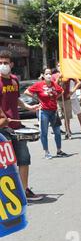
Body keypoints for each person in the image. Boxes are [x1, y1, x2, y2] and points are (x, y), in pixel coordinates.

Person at [0, 50, 42, 201]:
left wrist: (29, 108)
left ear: (11, 64)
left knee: (24, 158)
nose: (3, 65)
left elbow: (16, 99)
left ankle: (24, 191)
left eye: (5, 62)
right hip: (2, 128)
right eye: (0, 63)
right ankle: (6, 194)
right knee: (5, 162)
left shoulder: (14, 80)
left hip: (17, 126)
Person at [25, 68, 68, 159]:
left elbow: (61, 91)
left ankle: (59, 150)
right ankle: (46, 152)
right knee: (44, 132)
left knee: (57, 132)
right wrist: (38, 99)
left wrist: (55, 98)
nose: (49, 75)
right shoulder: (39, 85)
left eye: (50, 74)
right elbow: (27, 92)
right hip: (44, 111)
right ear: (43, 75)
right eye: (47, 74)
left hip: (54, 111)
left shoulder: (54, 84)